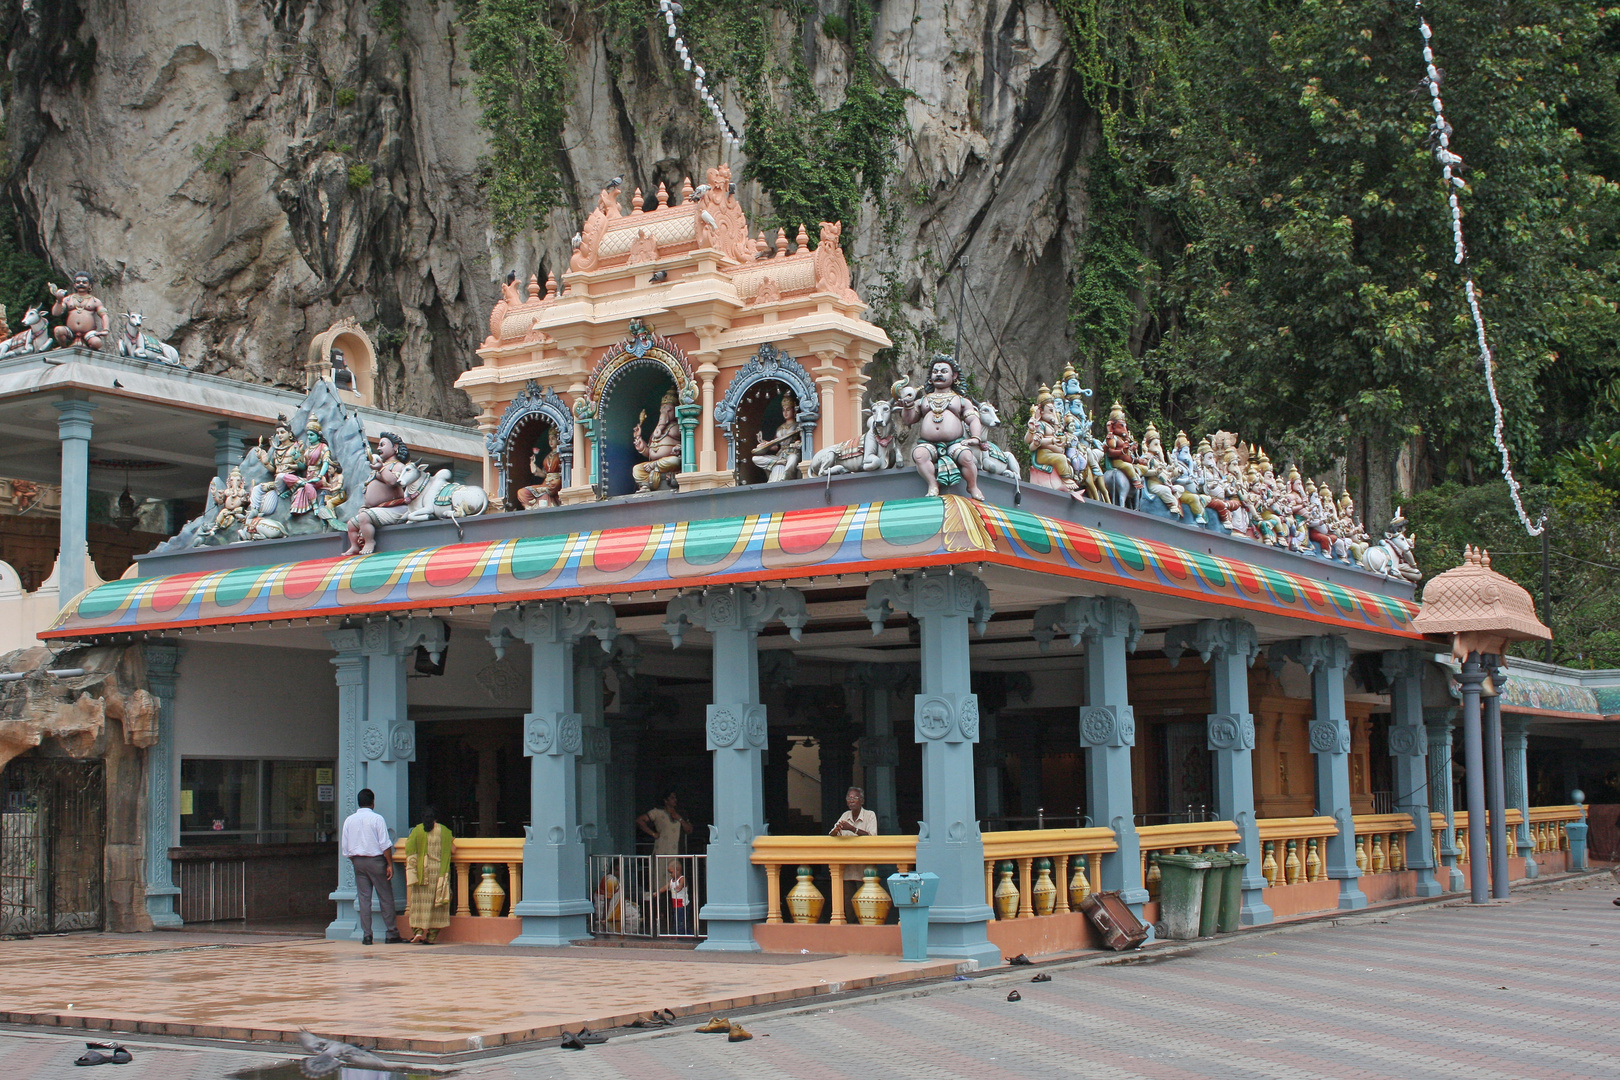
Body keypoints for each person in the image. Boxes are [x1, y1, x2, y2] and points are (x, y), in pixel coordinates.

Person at [339, 788, 401, 945]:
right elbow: (385, 844)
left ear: (358, 803)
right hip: (376, 860)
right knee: (385, 897)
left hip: (358, 861)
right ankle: (391, 932)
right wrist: (389, 864)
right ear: (373, 802)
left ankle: (367, 935)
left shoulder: (349, 820)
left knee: (364, 899)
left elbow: (345, 848)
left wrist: (355, 860)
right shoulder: (377, 819)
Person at [404, 807, 453, 944]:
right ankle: (431, 937)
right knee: (437, 905)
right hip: (438, 872)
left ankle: (418, 931)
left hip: (421, 873)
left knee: (418, 904)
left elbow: (409, 850)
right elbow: (452, 849)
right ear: (436, 818)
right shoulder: (445, 832)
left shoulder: (417, 831)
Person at [828, 786, 879, 913]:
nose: (851, 801)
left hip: (864, 868)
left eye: (855, 798)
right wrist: (836, 830)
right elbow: (832, 835)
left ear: (862, 801)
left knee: (865, 901)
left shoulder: (870, 815)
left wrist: (852, 829)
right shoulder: (845, 815)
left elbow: (872, 837)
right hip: (848, 867)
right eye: (849, 798)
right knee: (848, 902)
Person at [637, 788, 694, 869]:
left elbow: (689, 830)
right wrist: (653, 833)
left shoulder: (681, 813)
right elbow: (640, 820)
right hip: (662, 851)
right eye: (672, 798)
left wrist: (679, 819)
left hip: (677, 852)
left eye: (675, 798)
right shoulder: (657, 813)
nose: (675, 800)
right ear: (666, 800)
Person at [658, 857, 691, 936]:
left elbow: (682, 884)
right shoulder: (671, 881)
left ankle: (681, 934)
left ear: (678, 870)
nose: (670, 874)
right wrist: (657, 892)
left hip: (683, 905)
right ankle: (681, 933)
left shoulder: (681, 879)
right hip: (675, 904)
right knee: (677, 919)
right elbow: (665, 887)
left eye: (671, 872)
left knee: (681, 920)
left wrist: (679, 887)